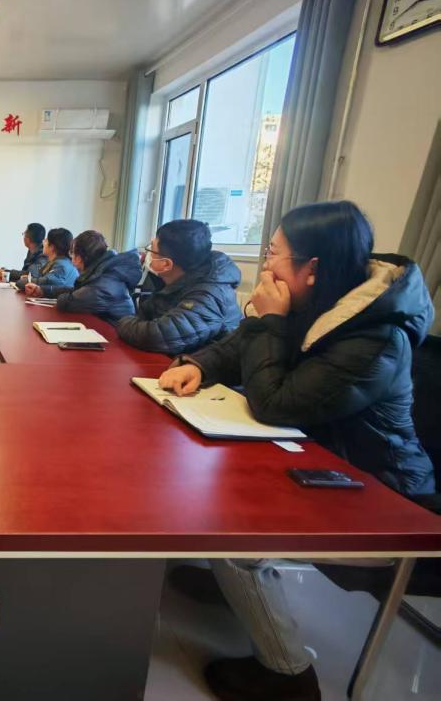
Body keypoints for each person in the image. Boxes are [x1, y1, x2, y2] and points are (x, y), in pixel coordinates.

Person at [158, 201, 435, 701]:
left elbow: (277, 405)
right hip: (315, 464)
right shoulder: (318, 303)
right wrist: (198, 364)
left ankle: (288, 673)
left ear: (313, 268)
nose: (266, 264)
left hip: (378, 495)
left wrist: (271, 322)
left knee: (230, 527)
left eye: (273, 253)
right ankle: (234, 589)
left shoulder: (376, 337)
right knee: (201, 474)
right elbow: (239, 347)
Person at [116, 219, 243, 355]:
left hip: (203, 367)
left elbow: (157, 336)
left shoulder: (209, 294)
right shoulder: (171, 281)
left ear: (166, 264)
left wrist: (123, 323)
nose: (146, 255)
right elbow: (143, 318)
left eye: (151, 249)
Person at [24, 230, 140, 320]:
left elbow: (67, 302)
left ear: (79, 258)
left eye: (72, 253)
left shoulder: (104, 283)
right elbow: (76, 291)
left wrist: (46, 292)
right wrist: (43, 291)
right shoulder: (103, 272)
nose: (71, 258)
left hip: (114, 338)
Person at [14, 227, 77, 292]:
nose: (43, 242)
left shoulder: (61, 266)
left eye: (46, 240)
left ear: (52, 247)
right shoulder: (59, 262)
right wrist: (29, 279)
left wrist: (27, 280)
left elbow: (44, 282)